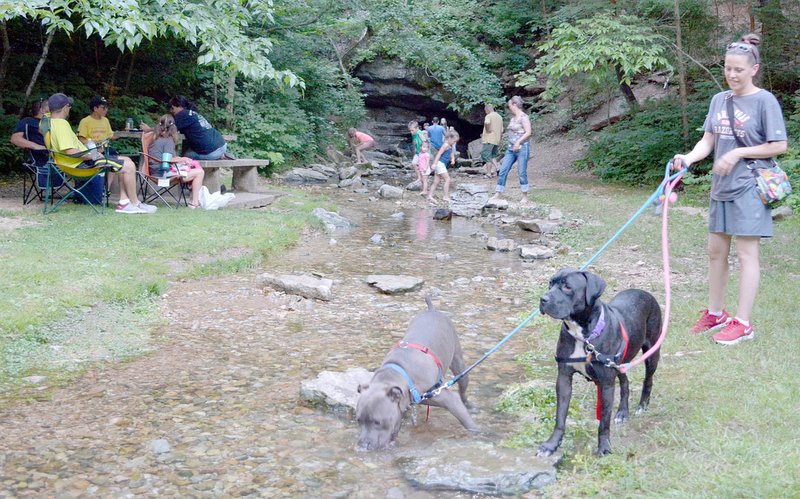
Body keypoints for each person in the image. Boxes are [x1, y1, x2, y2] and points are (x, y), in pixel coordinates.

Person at [672, 33, 787, 345]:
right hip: (720, 187)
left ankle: (744, 323)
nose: (732, 74)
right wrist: (688, 158)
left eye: (738, 69)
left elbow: (779, 145)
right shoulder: (718, 101)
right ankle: (716, 313)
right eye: (727, 68)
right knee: (715, 252)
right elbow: (708, 141)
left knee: (746, 253)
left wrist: (737, 153)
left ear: (754, 69)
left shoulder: (765, 101)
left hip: (750, 185)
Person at [46, 93, 156, 214]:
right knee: (129, 165)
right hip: (79, 164)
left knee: (126, 161)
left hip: (71, 162)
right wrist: (93, 155)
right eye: (69, 107)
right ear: (65, 108)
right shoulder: (61, 124)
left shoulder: (48, 122)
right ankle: (134, 203)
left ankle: (125, 202)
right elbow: (70, 151)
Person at [147, 114, 206, 208]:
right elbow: (168, 159)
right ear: (173, 128)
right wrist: (183, 159)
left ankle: (194, 200)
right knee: (199, 172)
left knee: (192, 167)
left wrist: (181, 159)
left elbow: (165, 157)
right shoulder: (168, 140)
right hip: (163, 174)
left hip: (154, 171)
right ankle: (194, 202)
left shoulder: (156, 138)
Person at [491, 96, 532, 204]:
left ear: (514, 105)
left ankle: (525, 196)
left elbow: (528, 132)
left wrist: (518, 142)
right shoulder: (513, 118)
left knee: (521, 172)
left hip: (522, 148)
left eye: (510, 106)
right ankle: (498, 193)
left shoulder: (524, 117)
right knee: (503, 170)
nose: (509, 108)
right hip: (510, 148)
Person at [167, 95, 228, 160]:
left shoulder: (182, 114)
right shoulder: (193, 113)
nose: (171, 111)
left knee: (186, 156)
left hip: (212, 151)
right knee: (190, 149)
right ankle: (220, 155)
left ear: (179, 106)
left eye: (172, 108)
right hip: (222, 145)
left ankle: (216, 156)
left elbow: (169, 129)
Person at [10, 99, 49, 166]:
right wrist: (37, 146)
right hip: (40, 163)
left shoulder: (52, 123)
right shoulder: (28, 121)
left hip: (56, 161)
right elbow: (15, 139)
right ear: (42, 110)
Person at [428, 129, 458, 203]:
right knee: (447, 179)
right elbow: (439, 154)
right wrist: (434, 164)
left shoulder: (450, 146)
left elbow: (451, 152)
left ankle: (430, 195)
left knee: (436, 181)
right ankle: (445, 196)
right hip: (440, 164)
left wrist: (453, 158)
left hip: (441, 165)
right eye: (454, 141)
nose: (455, 143)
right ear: (449, 138)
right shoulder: (445, 145)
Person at [481, 103, 503, 177]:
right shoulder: (499, 117)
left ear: (487, 109)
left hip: (489, 139)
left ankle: (488, 173)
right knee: (493, 156)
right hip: (496, 139)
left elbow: (487, 123)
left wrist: (488, 129)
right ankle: (498, 168)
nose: (485, 112)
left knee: (487, 156)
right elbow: (502, 130)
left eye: (485, 111)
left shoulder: (489, 116)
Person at [408, 121, 427, 193]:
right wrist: (414, 153)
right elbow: (414, 144)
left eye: (412, 130)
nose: (411, 132)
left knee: (422, 168)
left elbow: (425, 141)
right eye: (410, 131)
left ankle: (423, 187)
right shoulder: (414, 134)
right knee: (414, 163)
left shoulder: (419, 133)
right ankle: (419, 178)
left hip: (423, 153)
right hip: (417, 152)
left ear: (417, 128)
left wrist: (424, 153)